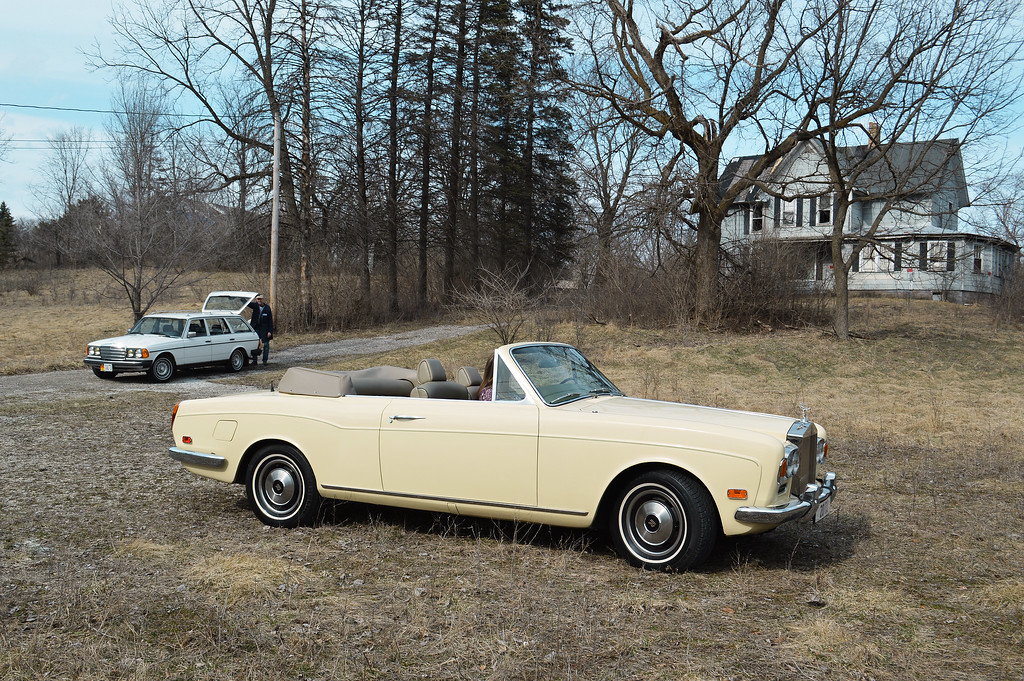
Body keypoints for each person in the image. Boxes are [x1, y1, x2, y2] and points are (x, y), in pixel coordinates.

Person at [248, 294, 274, 365]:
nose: (259, 300)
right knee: (255, 344)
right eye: (258, 299)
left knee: (265, 344)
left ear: (263, 300)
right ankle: (254, 360)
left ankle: (264, 360)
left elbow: (270, 321)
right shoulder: (255, 306)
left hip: (264, 329)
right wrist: (241, 295)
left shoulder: (267, 308)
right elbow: (247, 303)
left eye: (260, 299)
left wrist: (270, 331)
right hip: (256, 328)